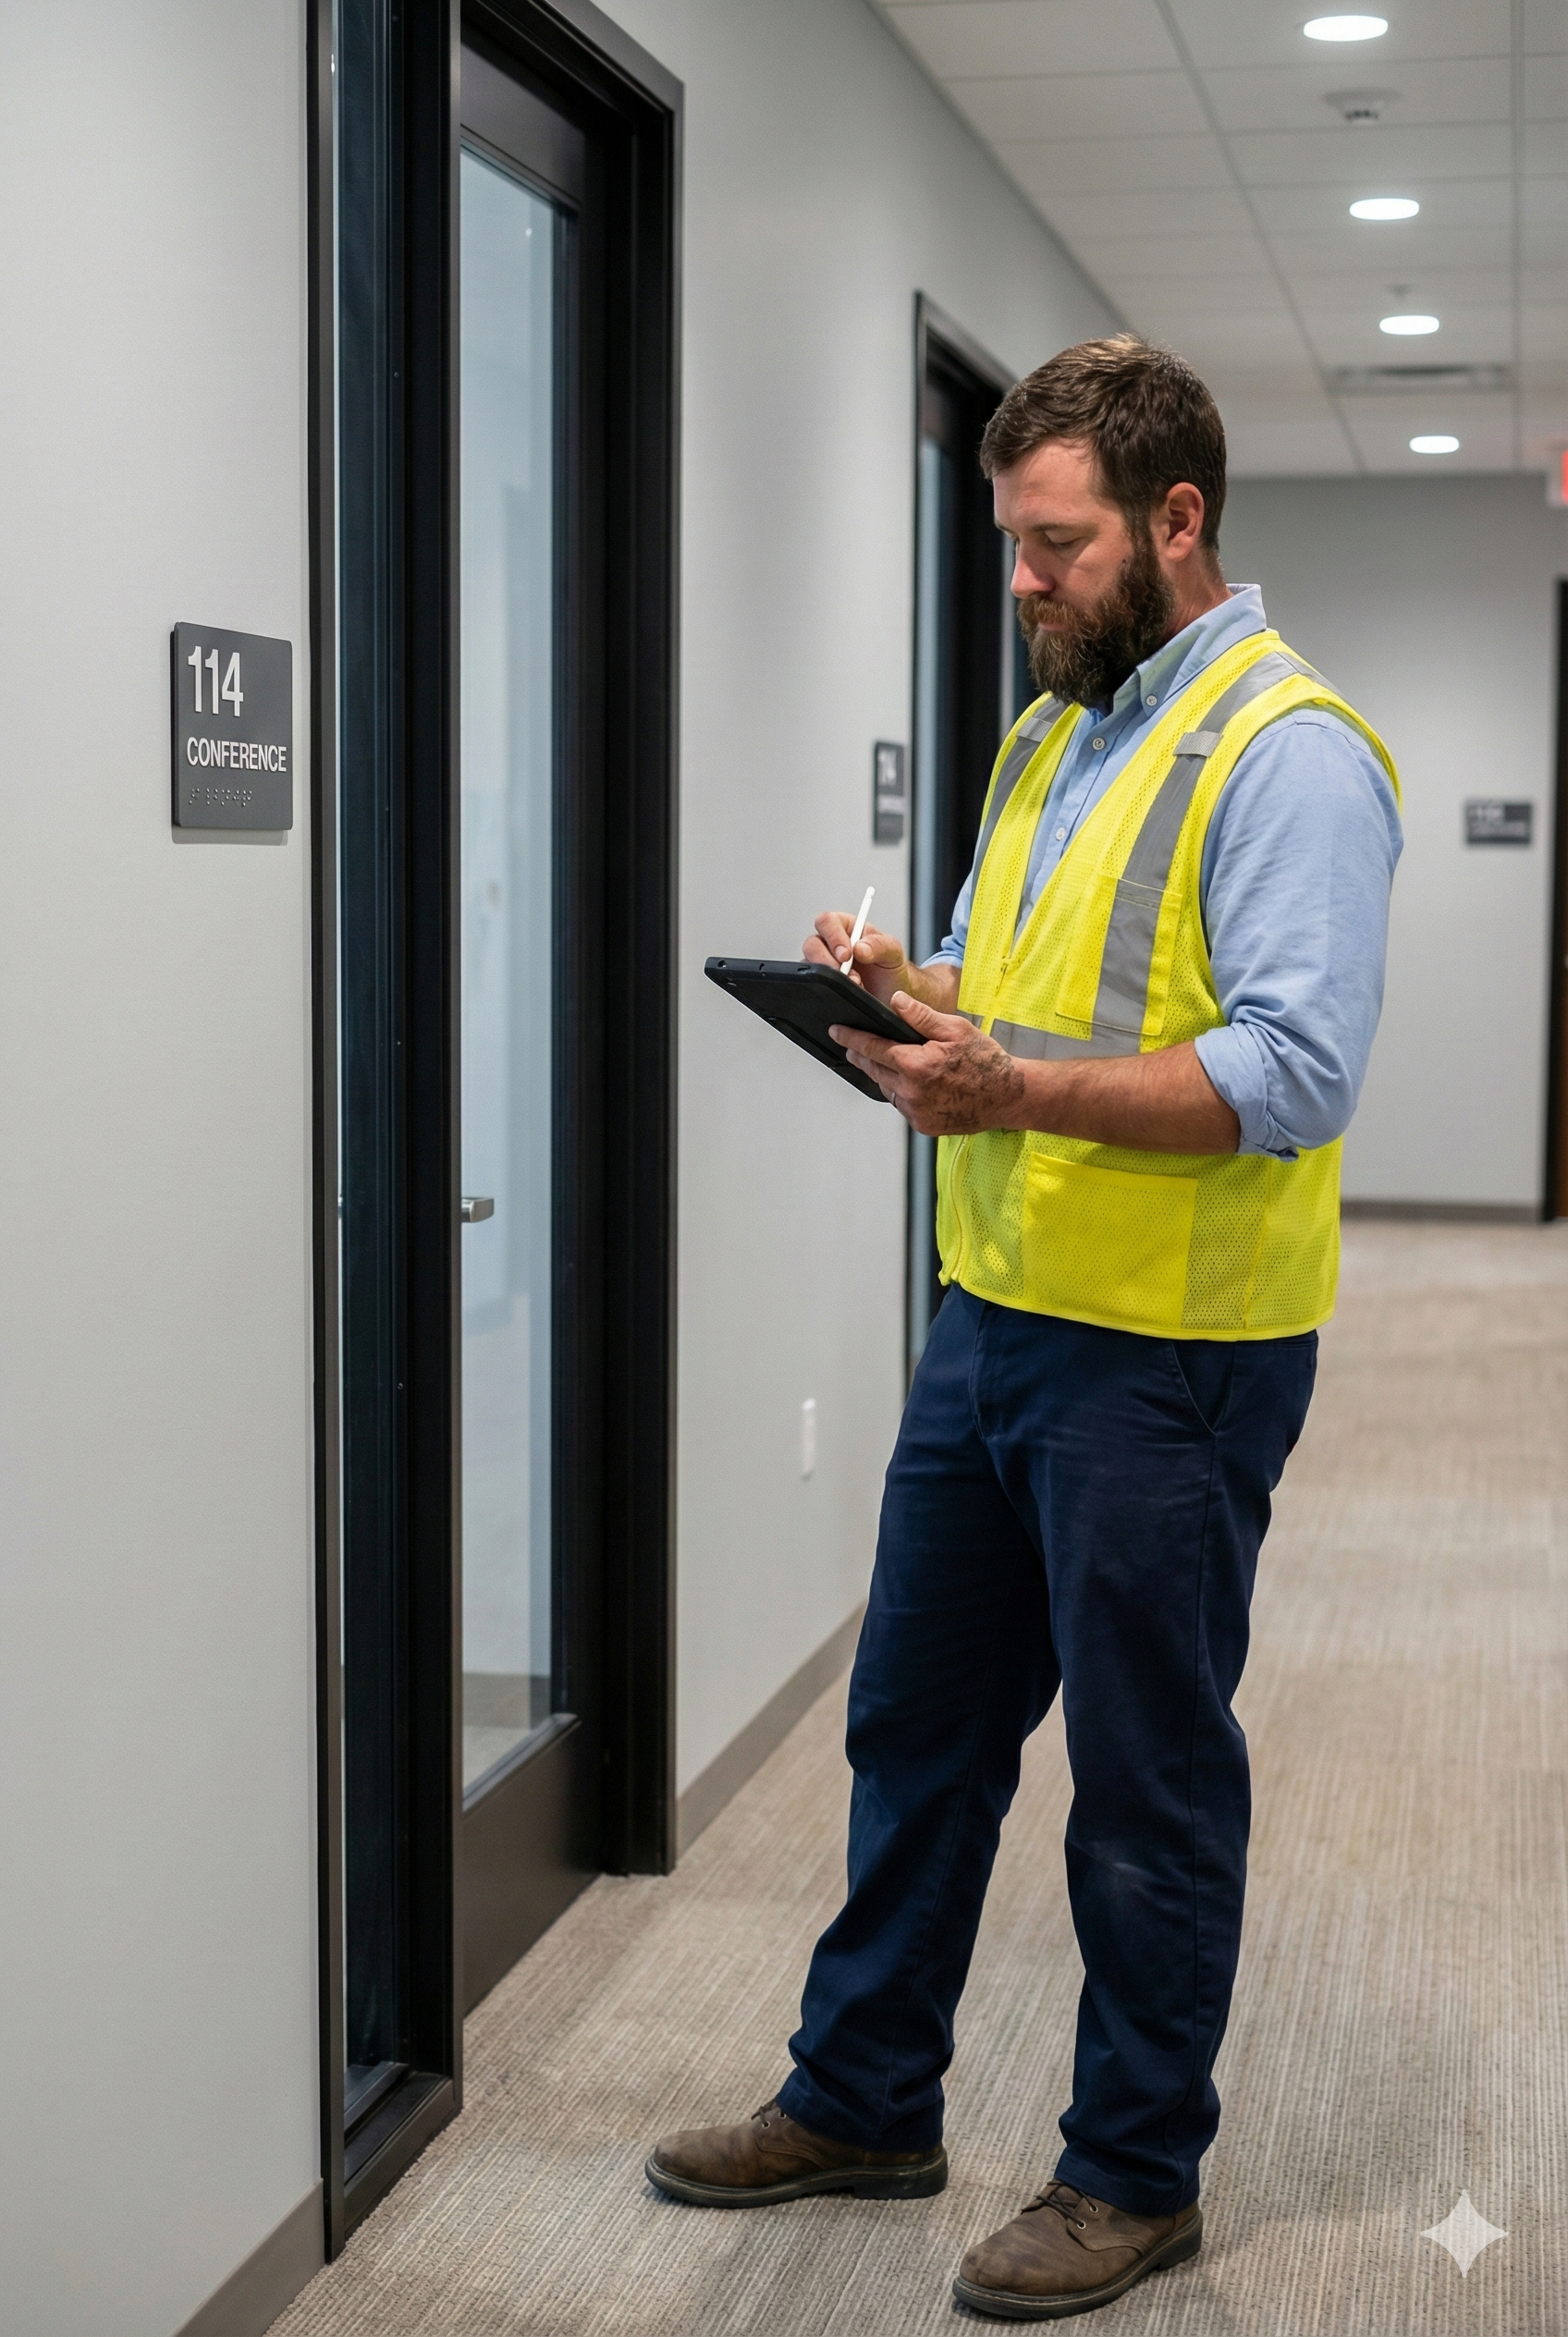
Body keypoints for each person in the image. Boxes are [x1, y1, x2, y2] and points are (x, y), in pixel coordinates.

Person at [646, 336, 1402, 2320]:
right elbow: (1048, 984)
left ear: (1174, 521)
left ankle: (1132, 2169)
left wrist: (1013, 1087)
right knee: (913, 1725)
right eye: (1009, 544)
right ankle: (864, 2092)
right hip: (992, 1319)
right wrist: (914, 987)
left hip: (1163, 1360)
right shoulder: (1058, 726)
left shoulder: (1287, 748)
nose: (1023, 582)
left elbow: (1293, 1068)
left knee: (1145, 1779)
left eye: (1053, 545)